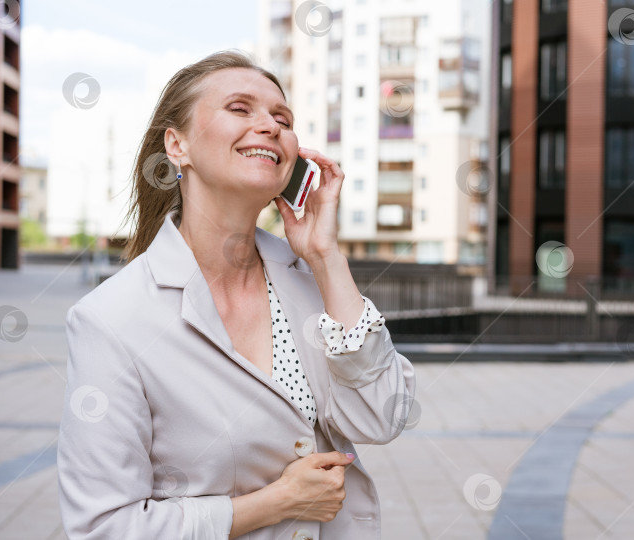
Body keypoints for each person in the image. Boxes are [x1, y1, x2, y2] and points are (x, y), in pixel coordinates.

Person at [56, 50, 416, 539]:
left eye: (282, 118)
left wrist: (327, 258)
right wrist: (277, 503)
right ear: (177, 145)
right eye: (240, 109)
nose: (269, 125)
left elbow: (383, 416)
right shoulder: (111, 319)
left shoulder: (309, 281)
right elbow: (104, 528)